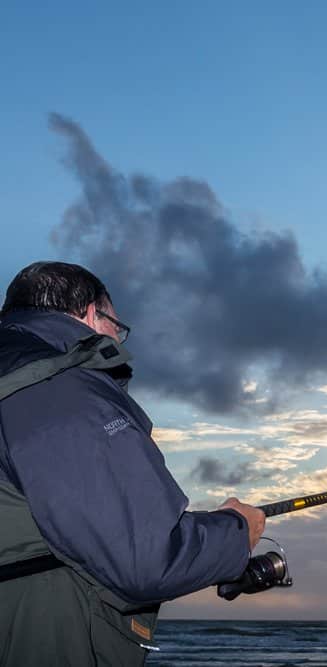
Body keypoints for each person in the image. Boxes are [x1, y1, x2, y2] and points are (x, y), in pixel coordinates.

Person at [0, 261, 265, 666]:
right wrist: (237, 530)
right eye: (116, 327)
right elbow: (146, 558)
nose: (117, 340)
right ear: (90, 314)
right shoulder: (60, 387)